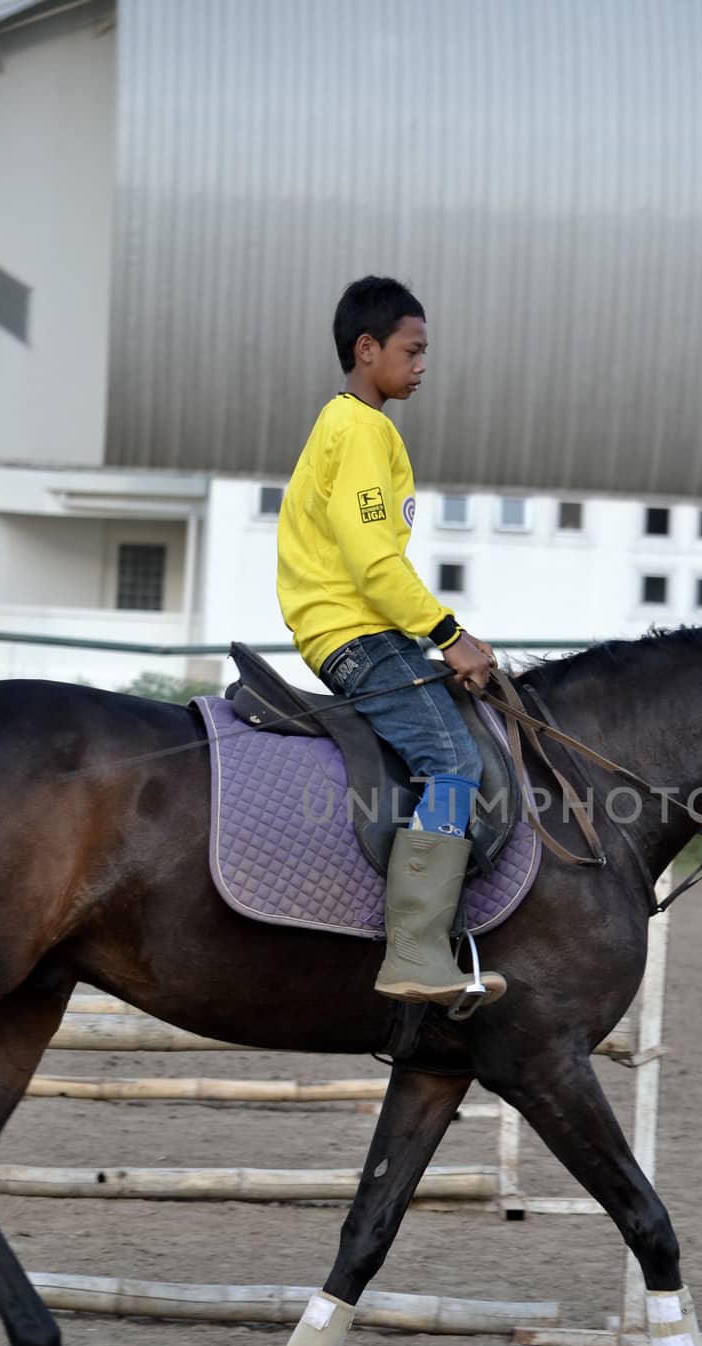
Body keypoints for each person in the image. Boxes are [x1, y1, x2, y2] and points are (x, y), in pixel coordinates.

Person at [277, 276, 505, 1007]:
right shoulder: (362, 431)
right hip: (358, 633)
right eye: (411, 351)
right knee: (453, 759)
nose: (421, 365)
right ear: (366, 348)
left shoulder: (352, 428)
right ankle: (413, 952)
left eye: (424, 353)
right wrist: (450, 634)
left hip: (349, 626)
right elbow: (375, 564)